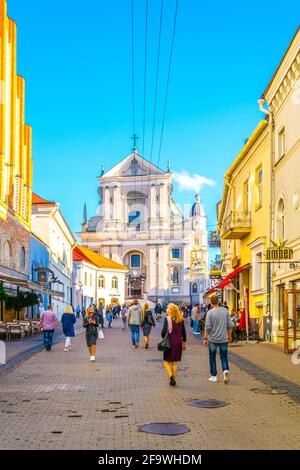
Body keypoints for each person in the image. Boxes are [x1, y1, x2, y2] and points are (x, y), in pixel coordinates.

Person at [203, 294, 233, 384]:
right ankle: (225, 370)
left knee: (212, 357)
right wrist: (229, 336)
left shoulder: (210, 312)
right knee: (224, 356)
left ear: (211, 302)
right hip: (224, 338)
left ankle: (214, 376)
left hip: (213, 339)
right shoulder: (225, 311)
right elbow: (230, 326)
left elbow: (208, 327)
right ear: (218, 302)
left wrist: (205, 338)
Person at [161, 304, 187, 386]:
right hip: (178, 343)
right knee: (175, 362)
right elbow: (184, 333)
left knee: (166, 361)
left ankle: (171, 376)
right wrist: (184, 343)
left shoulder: (167, 319)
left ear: (170, 311)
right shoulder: (181, 320)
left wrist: (163, 338)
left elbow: (163, 331)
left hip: (169, 343)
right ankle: (174, 381)